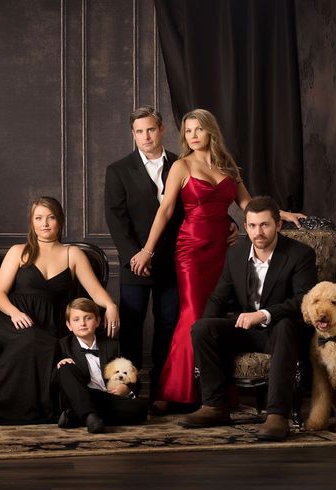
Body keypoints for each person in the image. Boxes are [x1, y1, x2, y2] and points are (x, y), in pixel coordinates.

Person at [131, 109, 304, 412]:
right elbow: (166, 210)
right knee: (194, 316)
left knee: (213, 320)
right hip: (191, 252)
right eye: (187, 131)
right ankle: (174, 391)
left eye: (198, 129)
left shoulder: (229, 168)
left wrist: (281, 215)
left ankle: (212, 394)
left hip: (223, 254)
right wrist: (147, 249)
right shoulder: (181, 166)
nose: (193, 135)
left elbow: (248, 204)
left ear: (211, 131)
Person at [105, 106, 237, 402]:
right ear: (133, 135)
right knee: (133, 325)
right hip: (135, 262)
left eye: (151, 129)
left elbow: (197, 209)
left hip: (174, 261)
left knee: (168, 325)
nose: (146, 136)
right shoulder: (118, 170)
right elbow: (116, 220)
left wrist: (229, 224)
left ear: (162, 129)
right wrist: (135, 256)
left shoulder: (183, 162)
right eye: (139, 131)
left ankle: (161, 391)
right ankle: (129, 392)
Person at [0, 197, 119, 424]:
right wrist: (14, 313)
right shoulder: (19, 251)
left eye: (50, 217)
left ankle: (31, 410)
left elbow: (95, 291)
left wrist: (111, 306)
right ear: (32, 222)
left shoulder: (73, 253)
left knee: (44, 341)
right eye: (38, 218)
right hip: (11, 318)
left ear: (60, 221)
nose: (45, 223)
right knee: (30, 339)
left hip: (49, 322)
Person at [177, 196, 317, 441]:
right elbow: (219, 298)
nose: (258, 232)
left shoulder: (299, 254)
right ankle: (215, 406)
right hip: (248, 330)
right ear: (245, 226)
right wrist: (207, 328)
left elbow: (304, 300)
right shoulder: (236, 253)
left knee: (284, 326)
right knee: (202, 328)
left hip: (282, 330)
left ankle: (277, 414)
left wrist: (263, 314)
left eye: (265, 225)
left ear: (278, 225)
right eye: (252, 226)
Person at [55, 297, 147, 433]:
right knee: (65, 368)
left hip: (107, 397)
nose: (83, 323)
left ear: (98, 321)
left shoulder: (112, 345)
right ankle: (90, 416)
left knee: (141, 408)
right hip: (81, 394)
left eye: (88, 318)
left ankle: (76, 416)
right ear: (69, 325)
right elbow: (53, 381)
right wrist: (60, 366)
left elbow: (133, 376)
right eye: (76, 319)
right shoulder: (63, 346)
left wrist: (126, 389)